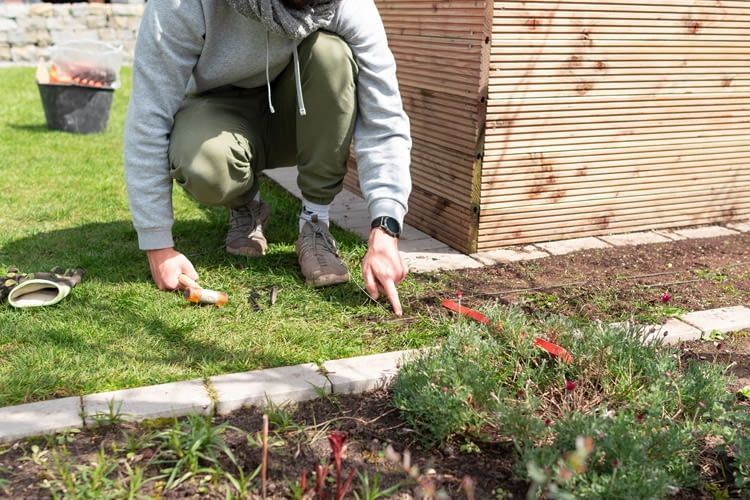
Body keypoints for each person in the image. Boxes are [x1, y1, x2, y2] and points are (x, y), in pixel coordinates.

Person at [124, 0, 412, 315]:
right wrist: (158, 247)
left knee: (332, 55)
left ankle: (315, 221)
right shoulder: (181, 5)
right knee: (204, 164)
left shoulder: (345, 4)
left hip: (295, 111)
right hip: (217, 111)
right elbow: (148, 117)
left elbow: (383, 120)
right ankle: (245, 203)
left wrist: (386, 228)